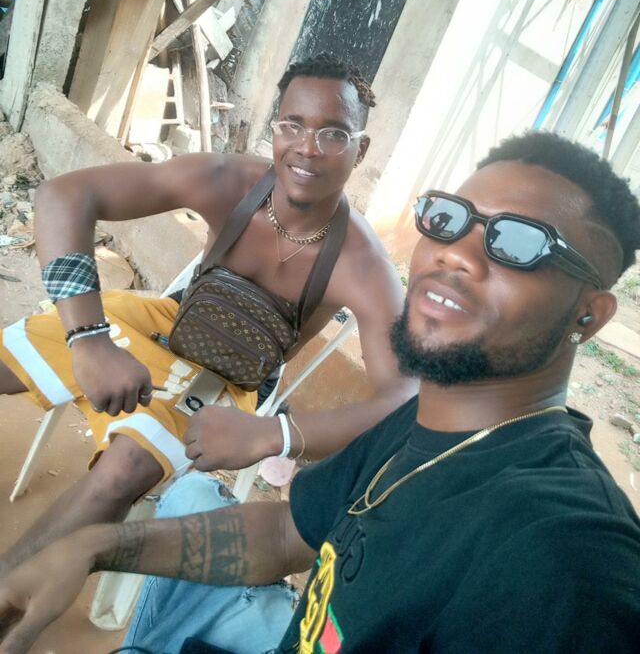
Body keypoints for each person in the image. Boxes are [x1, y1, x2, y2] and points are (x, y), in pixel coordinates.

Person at [1, 130, 639, 654]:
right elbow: (286, 535)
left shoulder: (566, 555)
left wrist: (274, 433)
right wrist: (95, 546)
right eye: (448, 219)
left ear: (590, 314)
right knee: (190, 494)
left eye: (519, 243)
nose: (457, 255)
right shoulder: (427, 423)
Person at [0, 53, 414, 575]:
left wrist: (275, 435)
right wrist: (89, 339)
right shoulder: (230, 181)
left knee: (124, 469)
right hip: (167, 323)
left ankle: (8, 599)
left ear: (361, 148)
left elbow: (405, 398)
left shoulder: (364, 266)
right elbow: (66, 195)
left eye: (334, 133)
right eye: (293, 125)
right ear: (275, 128)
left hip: (230, 379)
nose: (307, 147)